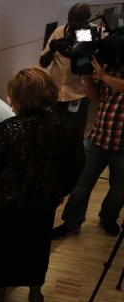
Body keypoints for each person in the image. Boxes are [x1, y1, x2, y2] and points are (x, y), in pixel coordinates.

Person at [0, 68, 85, 302]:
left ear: (21, 96)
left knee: (4, 248)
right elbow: (77, 165)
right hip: (43, 202)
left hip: (5, 204)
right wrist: (61, 191)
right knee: (37, 245)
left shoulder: (9, 129)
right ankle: (35, 295)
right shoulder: (67, 127)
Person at [52, 56, 124, 239]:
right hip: (97, 138)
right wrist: (86, 77)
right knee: (80, 187)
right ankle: (71, 224)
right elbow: (94, 98)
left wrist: (102, 76)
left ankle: (108, 218)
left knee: (119, 190)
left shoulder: (107, 73)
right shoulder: (112, 66)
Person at [39, 2, 94, 136]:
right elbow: (43, 63)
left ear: (88, 17)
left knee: (73, 133)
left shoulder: (92, 32)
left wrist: (76, 47)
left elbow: (81, 58)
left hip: (77, 94)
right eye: (71, 20)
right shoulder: (59, 31)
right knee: (51, 132)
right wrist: (52, 49)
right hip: (55, 94)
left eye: (78, 20)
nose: (74, 24)